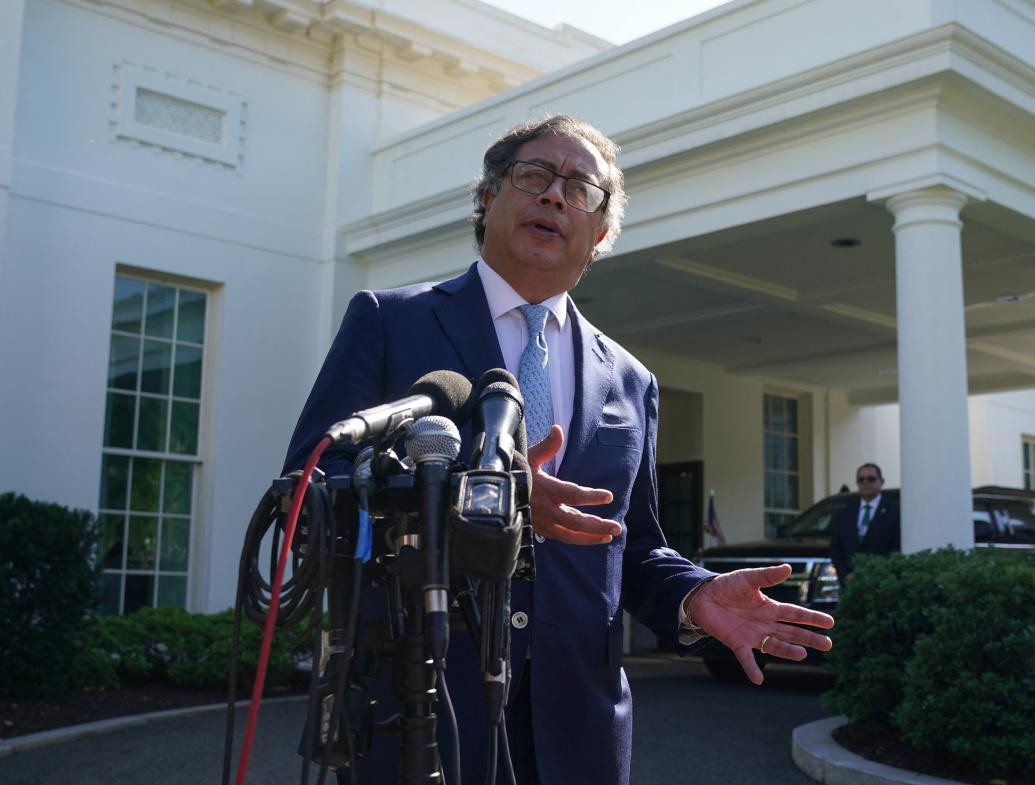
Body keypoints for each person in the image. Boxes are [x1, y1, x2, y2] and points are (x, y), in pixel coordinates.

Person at [284, 115, 834, 785]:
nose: (554, 197)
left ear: (600, 234)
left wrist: (694, 594)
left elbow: (632, 545)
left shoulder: (632, 380)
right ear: (486, 200)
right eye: (534, 176)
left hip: (578, 729)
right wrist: (483, 494)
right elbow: (311, 484)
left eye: (581, 189)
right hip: (422, 714)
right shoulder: (390, 320)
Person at [829, 462, 901, 583]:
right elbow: (836, 548)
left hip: (882, 582)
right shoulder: (845, 513)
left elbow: (896, 547)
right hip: (849, 584)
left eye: (871, 479)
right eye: (861, 479)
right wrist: (845, 574)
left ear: (881, 482)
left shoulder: (895, 511)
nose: (865, 482)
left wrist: (877, 573)